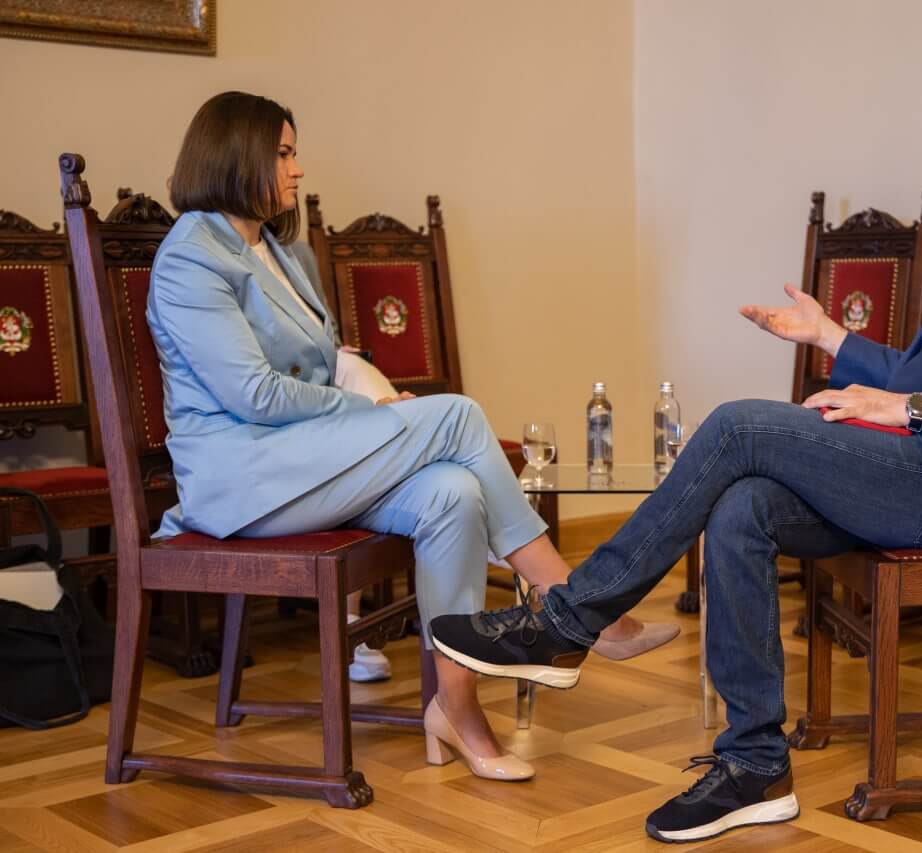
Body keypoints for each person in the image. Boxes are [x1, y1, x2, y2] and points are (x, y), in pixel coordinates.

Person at [429, 49, 922, 840]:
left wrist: (905, 409)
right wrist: (831, 337)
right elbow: (918, 375)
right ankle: (755, 762)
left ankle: (566, 623)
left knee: (740, 424)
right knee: (744, 503)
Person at [146, 91, 678, 783]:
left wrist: (376, 406)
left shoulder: (278, 249)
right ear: (234, 154)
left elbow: (322, 361)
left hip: (298, 461)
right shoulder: (191, 255)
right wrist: (369, 414)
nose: (297, 168)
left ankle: (456, 709)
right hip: (240, 477)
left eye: (294, 153)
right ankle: (580, 604)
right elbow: (255, 395)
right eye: (283, 153)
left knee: (453, 493)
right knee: (456, 415)